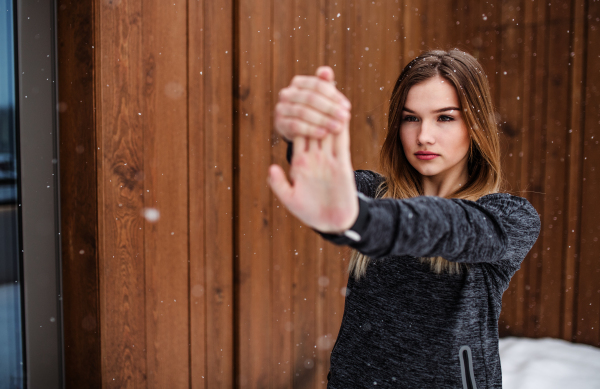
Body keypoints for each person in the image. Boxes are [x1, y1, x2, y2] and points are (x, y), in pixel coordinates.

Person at [267, 49, 541, 388]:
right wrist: (302, 134)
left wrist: (362, 219)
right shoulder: (372, 193)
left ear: (476, 125)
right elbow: (325, 185)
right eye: (410, 118)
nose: (423, 135)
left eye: (444, 117)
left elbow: (451, 225)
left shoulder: (508, 218)